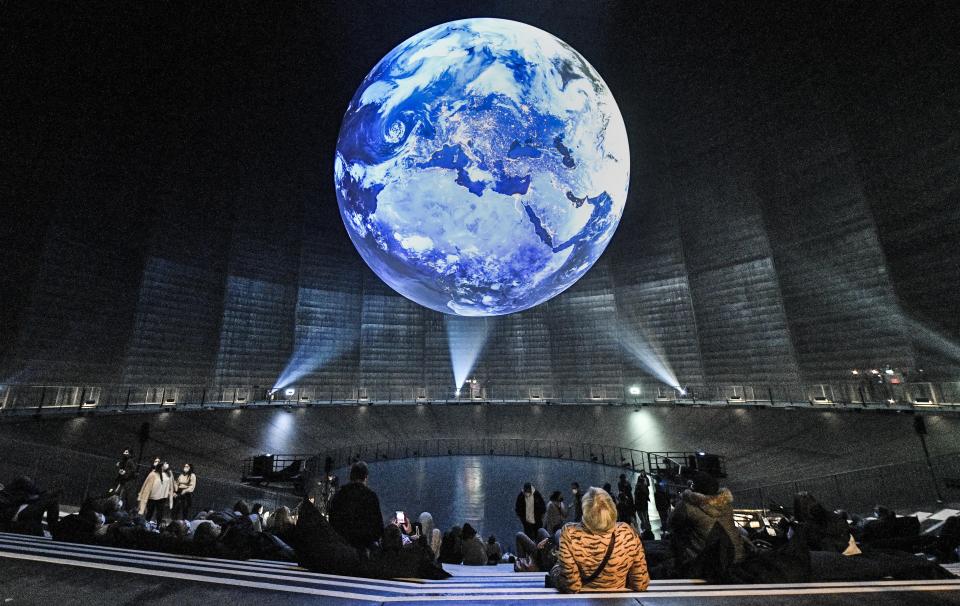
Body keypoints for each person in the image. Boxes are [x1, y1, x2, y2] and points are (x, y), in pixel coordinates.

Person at [549, 487, 649, 593]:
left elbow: (571, 586)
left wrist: (556, 570)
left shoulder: (570, 533)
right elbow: (640, 583)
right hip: (618, 599)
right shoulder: (627, 533)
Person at [667, 471, 745, 575]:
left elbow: (671, 524)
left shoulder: (687, 505)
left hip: (711, 564)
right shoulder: (725, 502)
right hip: (738, 556)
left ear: (694, 487)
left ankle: (682, 566)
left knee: (676, 535)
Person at [327, 461, 383, 552]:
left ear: (350, 476)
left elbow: (332, 521)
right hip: (361, 549)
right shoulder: (370, 496)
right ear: (366, 477)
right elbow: (378, 527)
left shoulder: (339, 495)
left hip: (341, 548)